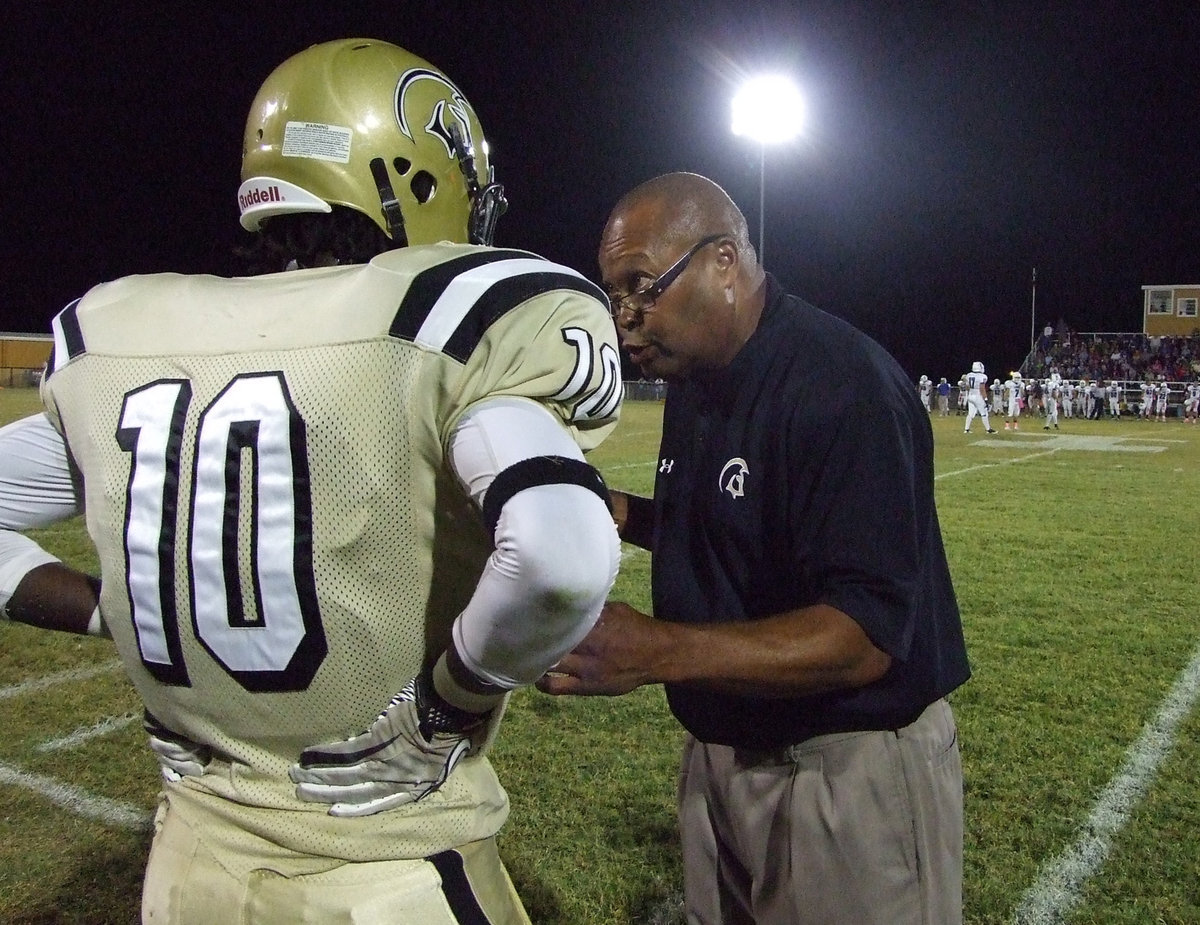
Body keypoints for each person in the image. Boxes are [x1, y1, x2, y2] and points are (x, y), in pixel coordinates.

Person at [2, 38, 624, 923]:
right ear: (413, 177)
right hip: (386, 870)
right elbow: (561, 555)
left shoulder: (126, 340)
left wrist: (121, 610)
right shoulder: (438, 326)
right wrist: (447, 706)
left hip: (189, 871)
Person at [538, 172, 970, 925]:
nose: (626, 319)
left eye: (642, 287)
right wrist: (616, 511)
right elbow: (727, 527)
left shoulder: (841, 384)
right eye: (614, 295)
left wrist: (655, 650)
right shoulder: (700, 377)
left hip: (844, 767)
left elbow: (863, 637)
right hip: (725, 757)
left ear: (725, 263)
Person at [962, 361, 997, 434]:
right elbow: (982, 389)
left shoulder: (969, 375)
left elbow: (968, 387)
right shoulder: (982, 376)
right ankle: (988, 429)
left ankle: (966, 429)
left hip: (970, 395)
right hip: (978, 396)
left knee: (971, 413)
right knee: (984, 413)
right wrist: (986, 399)